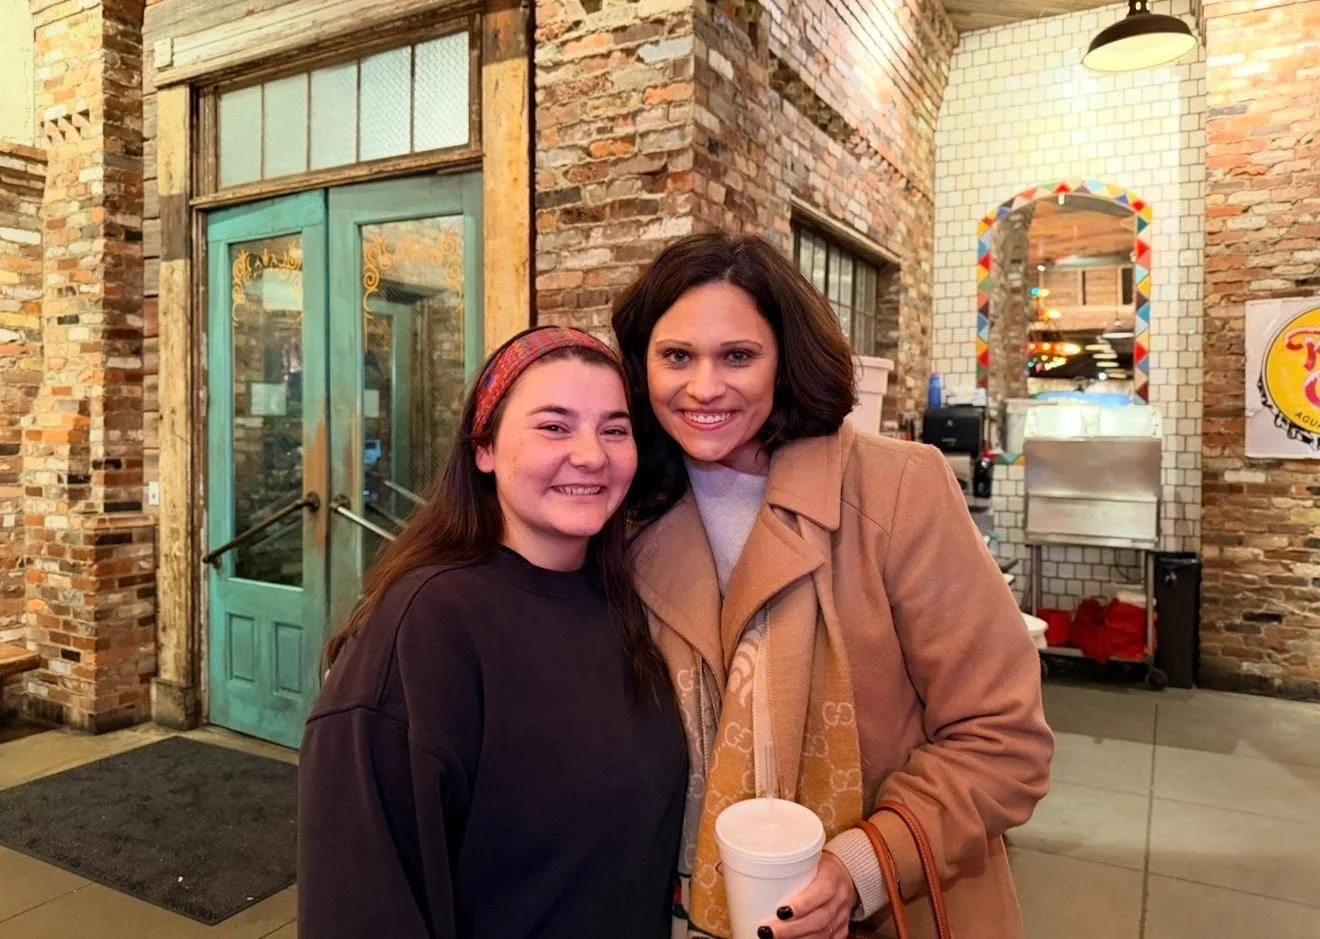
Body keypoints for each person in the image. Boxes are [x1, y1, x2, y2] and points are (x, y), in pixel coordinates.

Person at [612, 234, 1054, 939]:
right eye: (676, 356)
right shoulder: (633, 510)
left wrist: (861, 867)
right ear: (641, 366)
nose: (703, 387)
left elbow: (1004, 739)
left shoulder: (897, 488)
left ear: (784, 358)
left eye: (737, 355)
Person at [297, 326, 688, 939]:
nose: (591, 454)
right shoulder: (427, 626)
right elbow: (360, 904)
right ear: (484, 447)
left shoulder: (630, 601)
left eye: (614, 429)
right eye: (554, 426)